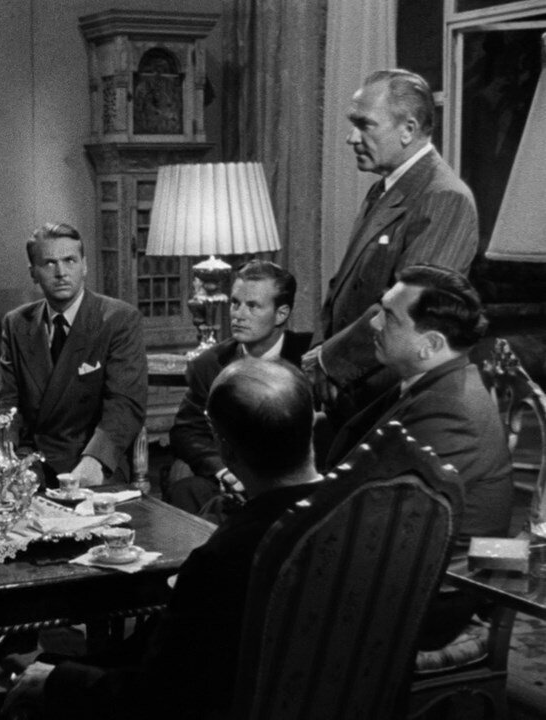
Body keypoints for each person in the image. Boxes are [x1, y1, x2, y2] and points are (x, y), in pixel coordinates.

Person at [0, 359, 323, 720]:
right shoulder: (355, 517)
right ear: (312, 425)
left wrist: (58, 680)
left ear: (225, 449)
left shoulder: (225, 557)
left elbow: (158, 696)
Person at [326, 264, 512, 649]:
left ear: (429, 344)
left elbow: (375, 512)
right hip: (395, 570)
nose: (373, 323)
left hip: (428, 600)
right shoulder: (431, 381)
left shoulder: (450, 409)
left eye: (389, 317)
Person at [303, 69, 479, 426]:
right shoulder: (385, 189)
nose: (351, 138)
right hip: (353, 396)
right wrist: (321, 357)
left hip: (392, 404)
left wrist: (327, 362)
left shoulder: (444, 198)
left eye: (364, 125)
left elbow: (408, 310)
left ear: (408, 129)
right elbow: (342, 290)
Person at [0, 222, 147, 487]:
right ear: (33, 273)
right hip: (32, 460)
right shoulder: (16, 323)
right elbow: (8, 403)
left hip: (92, 458)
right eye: (49, 263)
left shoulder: (118, 319)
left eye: (70, 261)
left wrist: (94, 461)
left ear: (84, 266)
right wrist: (4, 455)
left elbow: (124, 405)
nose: (61, 273)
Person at [166, 260, 310, 515]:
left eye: (252, 306)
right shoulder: (211, 363)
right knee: (185, 490)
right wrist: (224, 472)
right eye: (235, 303)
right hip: (231, 479)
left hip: (290, 484)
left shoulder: (308, 359)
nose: (238, 315)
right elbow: (187, 431)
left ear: (281, 313)